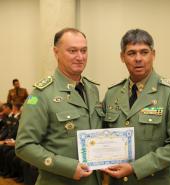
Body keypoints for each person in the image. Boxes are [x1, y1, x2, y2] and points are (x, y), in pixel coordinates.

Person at [15, 28, 104, 185]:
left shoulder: (92, 89)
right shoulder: (41, 94)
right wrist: (68, 167)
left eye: (84, 50)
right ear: (56, 52)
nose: (80, 57)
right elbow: (24, 146)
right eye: (72, 51)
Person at [102, 29, 170, 185]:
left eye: (144, 52)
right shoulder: (112, 93)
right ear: (122, 57)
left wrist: (135, 168)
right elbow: (101, 135)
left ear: (153, 55)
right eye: (131, 53)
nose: (138, 59)